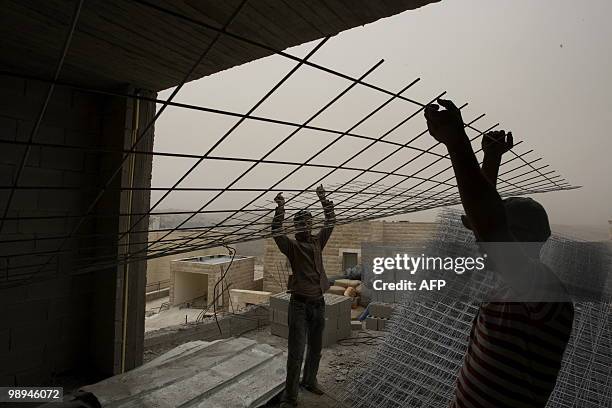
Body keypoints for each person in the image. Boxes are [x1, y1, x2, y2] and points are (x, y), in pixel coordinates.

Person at [424, 99, 574, 408]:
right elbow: (483, 222)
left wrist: (457, 143)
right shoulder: (516, 287)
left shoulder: (544, 293)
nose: (480, 242)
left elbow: (489, 226)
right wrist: (490, 159)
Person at [271, 184, 336, 407]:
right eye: (302, 223)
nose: (306, 226)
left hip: (318, 303)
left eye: (308, 222)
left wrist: (324, 199)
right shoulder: (292, 246)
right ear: (297, 226)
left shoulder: (318, 242)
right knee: (296, 352)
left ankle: (309, 381)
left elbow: (331, 222)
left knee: (316, 348)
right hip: (299, 304)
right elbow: (277, 232)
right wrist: (281, 208)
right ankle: (290, 397)